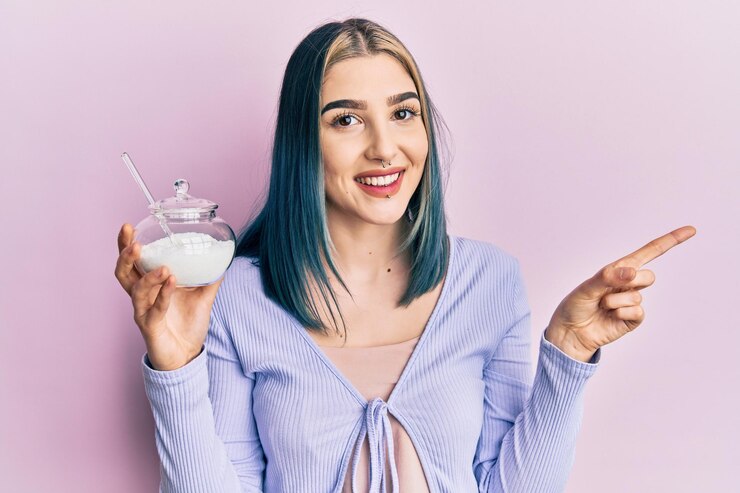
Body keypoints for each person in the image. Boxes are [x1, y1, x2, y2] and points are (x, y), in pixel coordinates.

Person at [114, 18, 696, 493]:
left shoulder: (489, 281)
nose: (384, 148)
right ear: (303, 141)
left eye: (403, 112)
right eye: (346, 119)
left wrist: (569, 355)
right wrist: (176, 368)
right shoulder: (234, 294)